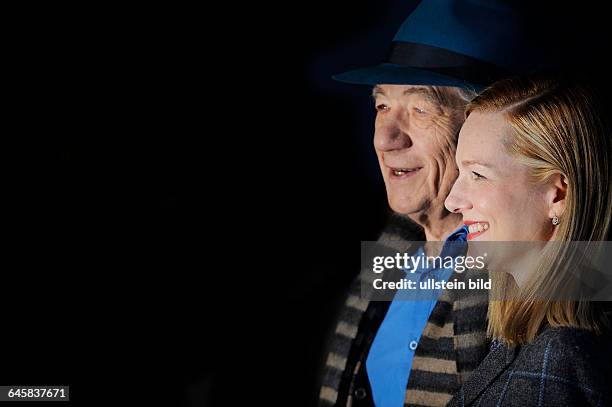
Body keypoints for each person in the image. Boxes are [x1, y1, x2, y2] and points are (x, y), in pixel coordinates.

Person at [318, 0, 566, 406]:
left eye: (420, 109)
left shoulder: (562, 276)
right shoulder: (389, 257)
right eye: (382, 106)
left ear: (486, 125)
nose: (386, 139)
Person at [444, 74, 612, 406]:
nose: (452, 200)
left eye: (478, 175)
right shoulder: (527, 342)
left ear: (558, 194)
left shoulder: (561, 360)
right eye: (460, 173)